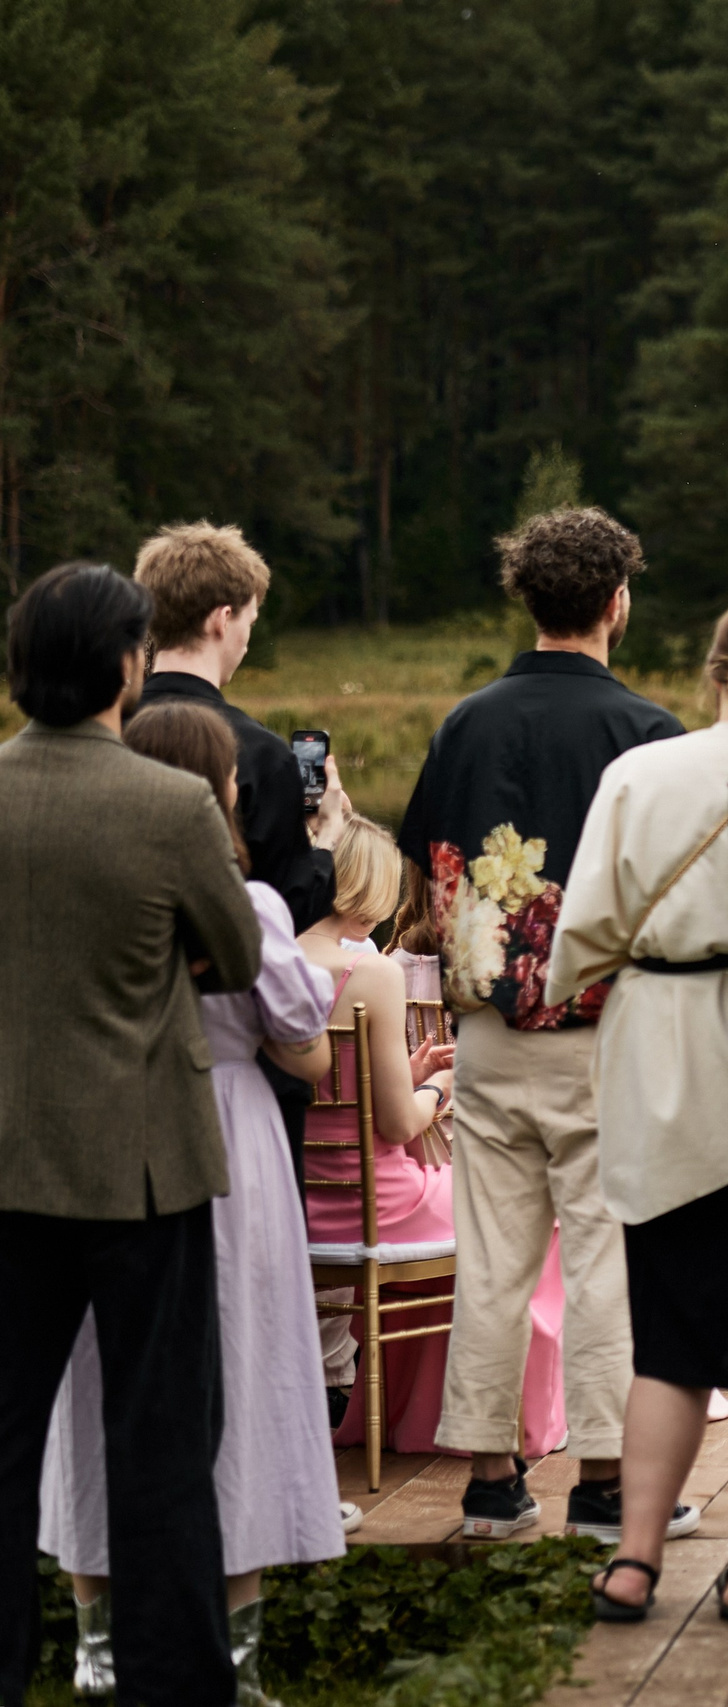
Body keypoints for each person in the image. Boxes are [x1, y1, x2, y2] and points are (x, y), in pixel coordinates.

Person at [41, 702, 343, 1705]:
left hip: (89, 1139)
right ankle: (235, 1660)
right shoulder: (244, 900)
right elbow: (304, 1036)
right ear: (219, 788)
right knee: (241, 1372)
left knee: (92, 1379)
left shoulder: (79, 883)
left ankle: (96, 1646)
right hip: (225, 1138)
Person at [0, 562, 262, 1707]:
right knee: (161, 1446)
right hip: (144, 1167)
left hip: (8, 1161)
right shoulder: (170, 806)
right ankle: (177, 1682)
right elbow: (241, 959)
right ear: (123, 665)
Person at [395, 506, 684, 1539]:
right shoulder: (646, 733)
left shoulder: (466, 723)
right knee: (606, 1258)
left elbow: (423, 860)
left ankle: (489, 1479)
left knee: (493, 1259)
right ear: (617, 601)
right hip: (607, 1039)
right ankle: (605, 1487)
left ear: (528, 597)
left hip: (487, 1037)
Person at [548, 592, 728, 1624]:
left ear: (715, 669)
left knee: (667, 1339)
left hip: (661, 1059)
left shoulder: (640, 772)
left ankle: (632, 1562)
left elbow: (578, 938)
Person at [301, 818, 576, 1464]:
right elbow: (399, 1126)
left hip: (309, 1209)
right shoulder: (370, 972)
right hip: (384, 1205)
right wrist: (444, 1086)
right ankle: (520, 1418)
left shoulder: (275, 959)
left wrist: (410, 1073)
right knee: (527, 1207)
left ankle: (410, 1411)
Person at [134, 522, 353, 1201]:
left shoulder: (107, 728)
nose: (249, 637)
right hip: (235, 1058)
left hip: (118, 1049)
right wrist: (325, 845)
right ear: (222, 618)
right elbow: (278, 917)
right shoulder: (256, 753)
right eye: (250, 619)